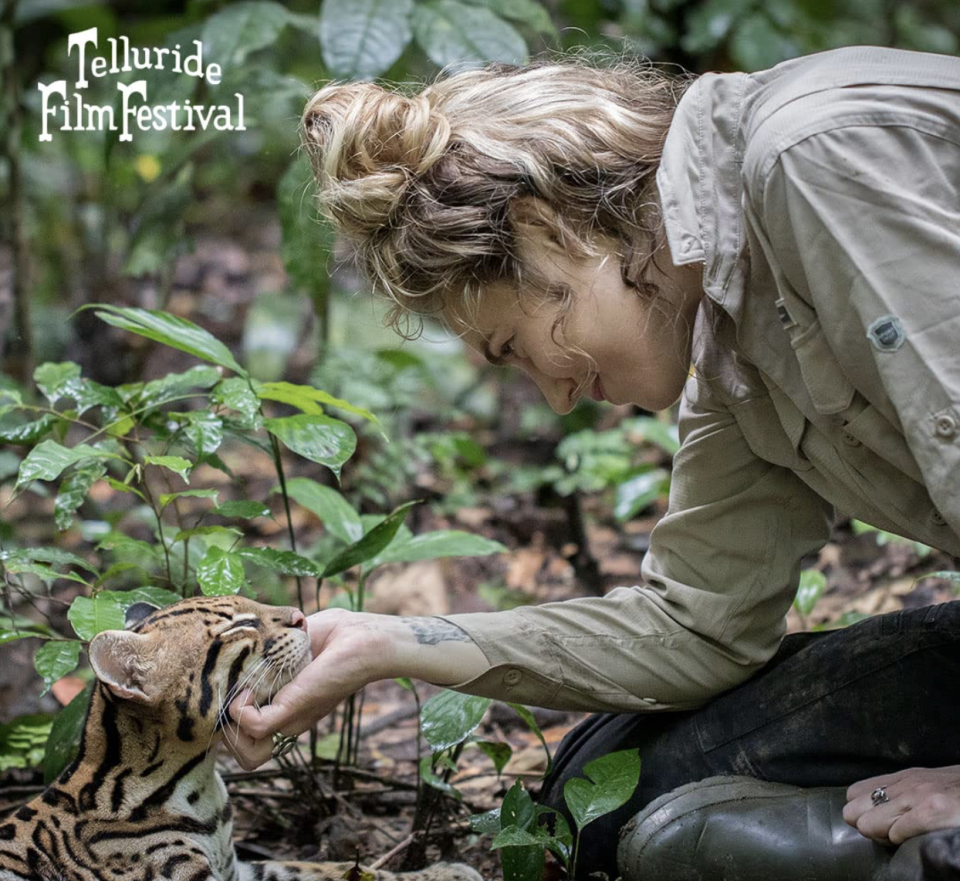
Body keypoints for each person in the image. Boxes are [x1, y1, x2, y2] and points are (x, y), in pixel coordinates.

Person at [227, 45, 960, 879]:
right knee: (605, 793)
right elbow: (695, 628)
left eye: (515, 347)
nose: (557, 399)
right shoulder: (727, 336)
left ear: (547, 229)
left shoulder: (811, 161)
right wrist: (388, 641)